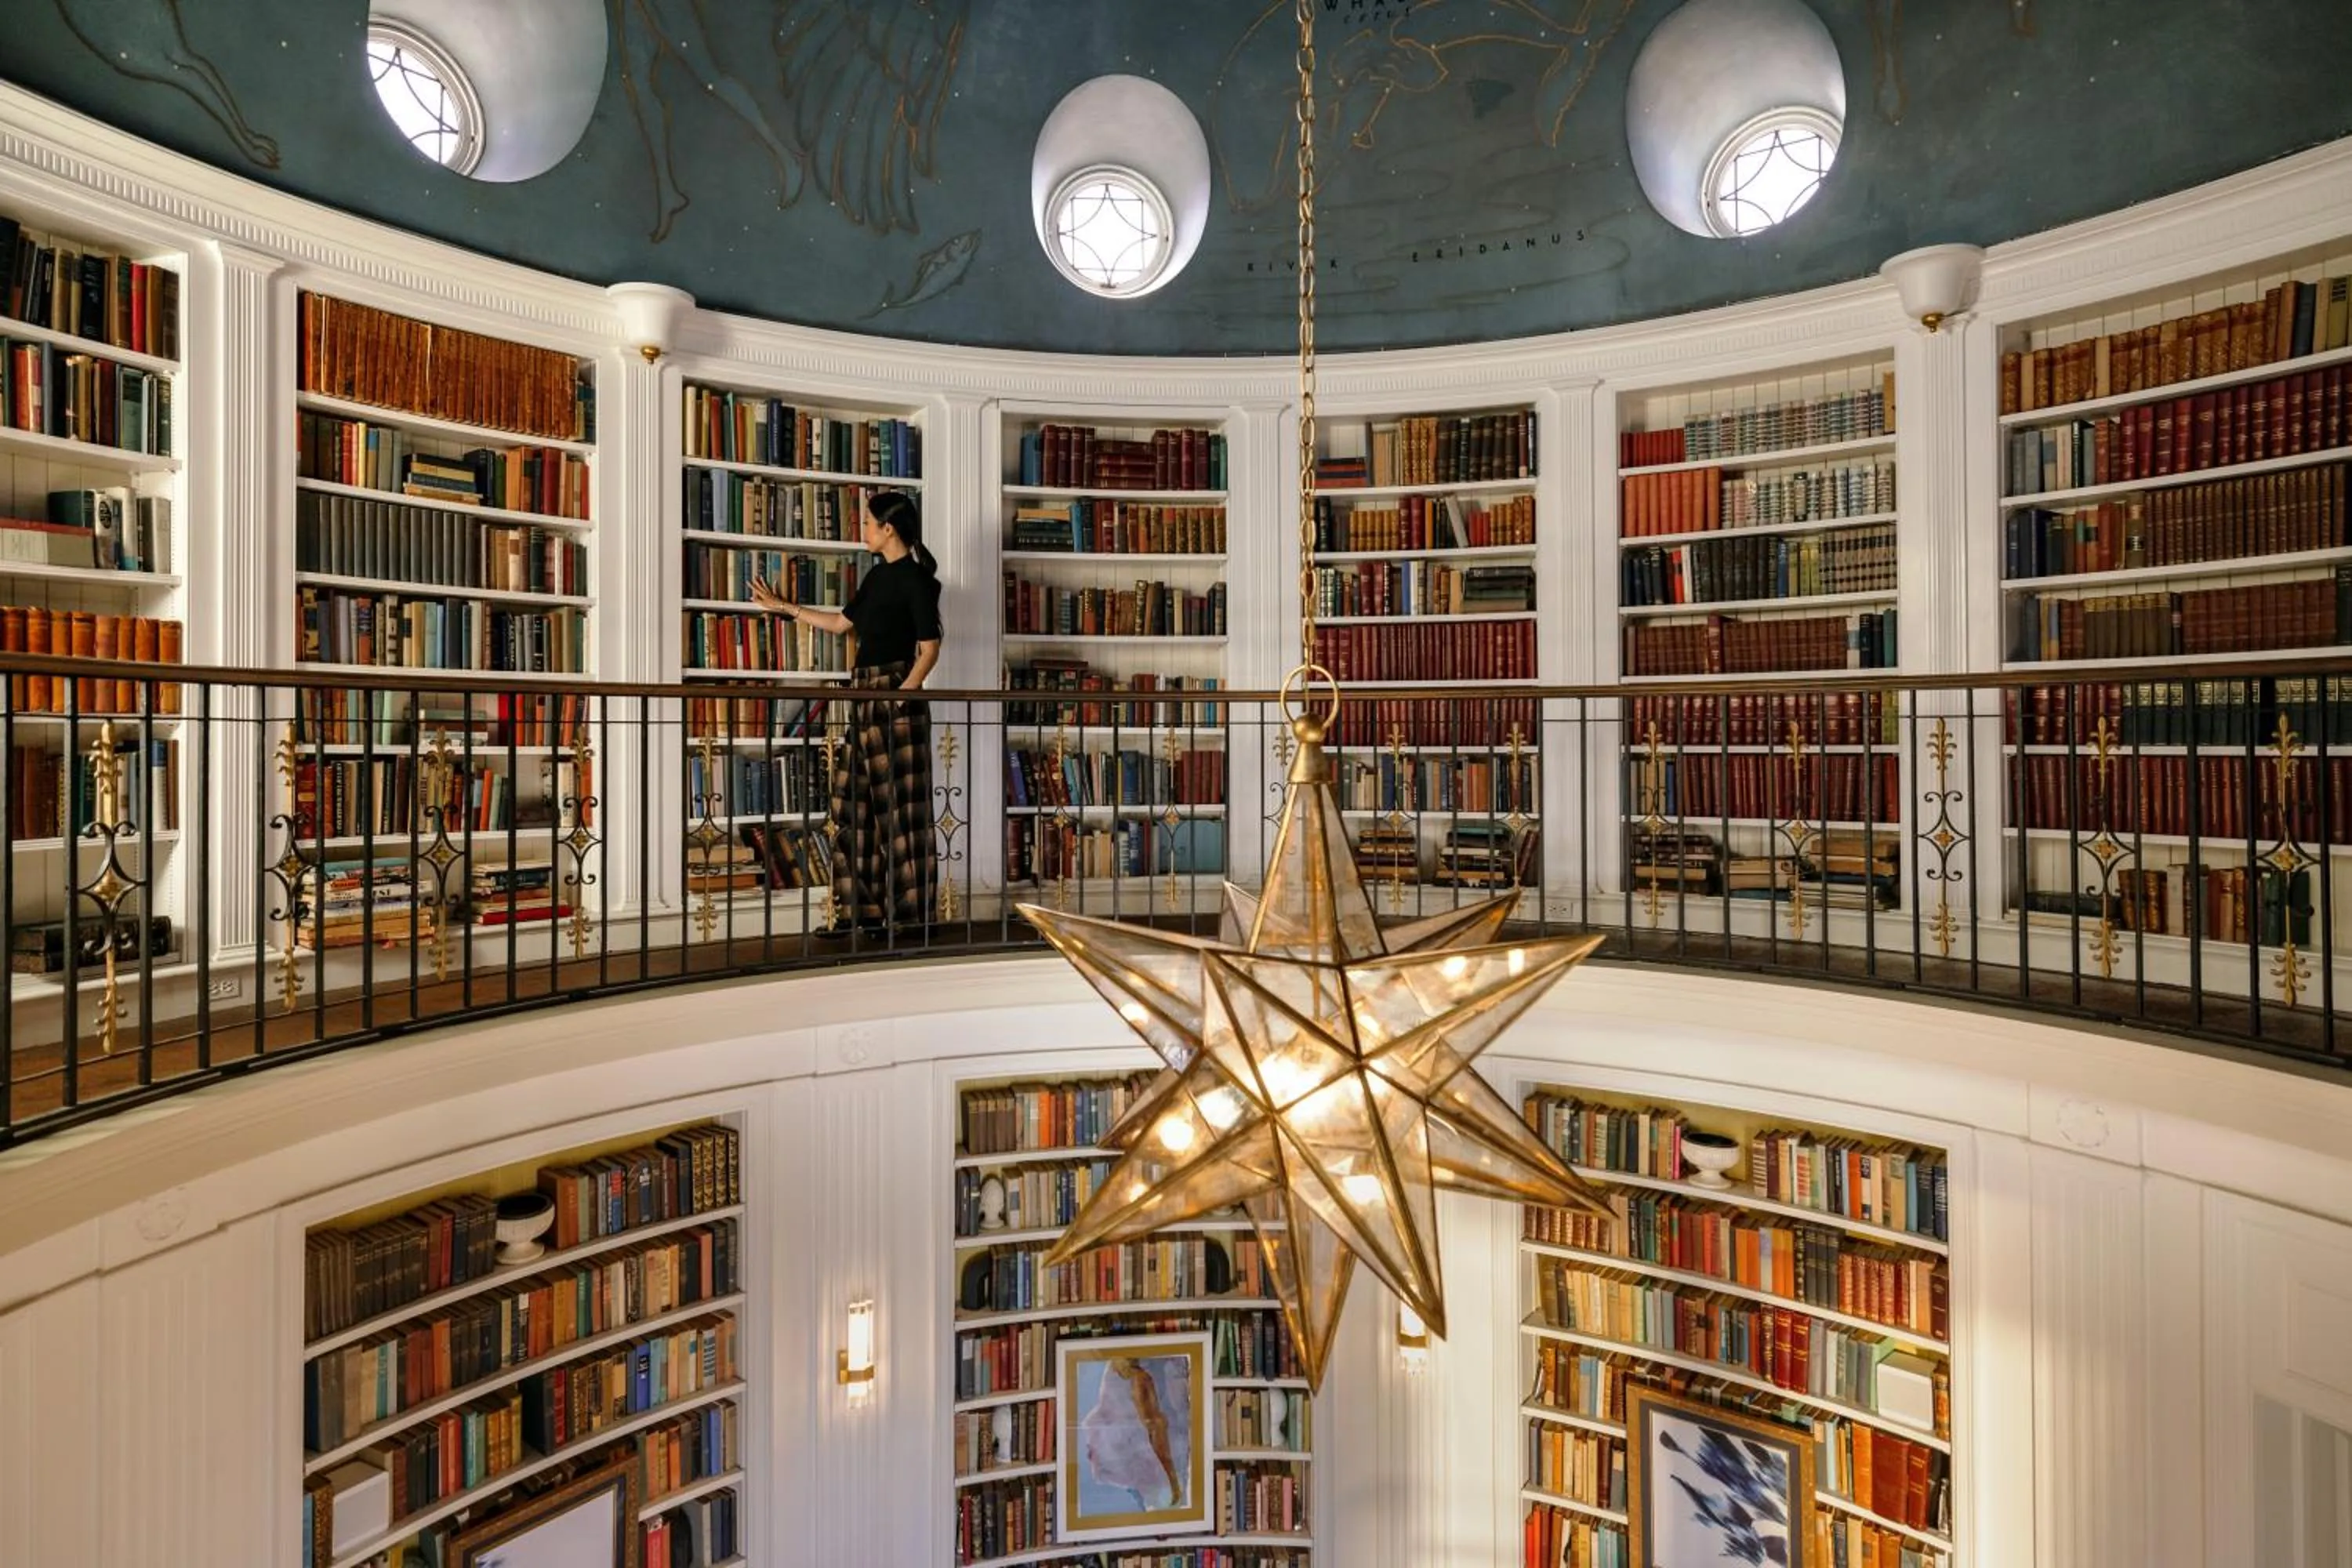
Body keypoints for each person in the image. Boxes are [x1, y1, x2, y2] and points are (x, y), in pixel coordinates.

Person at [748, 488, 942, 935]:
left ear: (888, 528)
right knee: (851, 805)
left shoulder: (917, 580)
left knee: (900, 814)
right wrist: (784, 608)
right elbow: (840, 623)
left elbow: (930, 650)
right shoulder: (876, 578)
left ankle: (912, 923)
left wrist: (903, 696)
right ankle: (861, 914)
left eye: (869, 524)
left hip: (895, 694)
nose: (864, 532)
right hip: (861, 694)